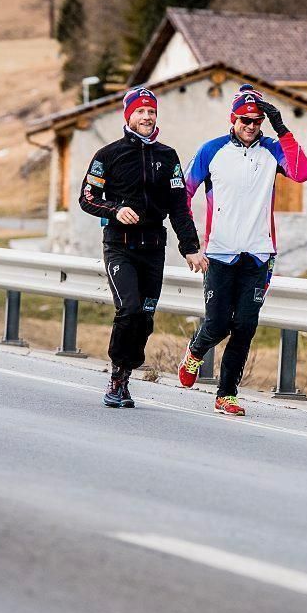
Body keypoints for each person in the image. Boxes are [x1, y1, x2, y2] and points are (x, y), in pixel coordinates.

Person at [177, 84, 307, 416]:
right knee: (218, 324)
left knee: (245, 326)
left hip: (259, 255)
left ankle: (227, 394)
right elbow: (182, 195)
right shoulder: (212, 150)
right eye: (245, 120)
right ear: (233, 119)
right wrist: (190, 244)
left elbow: (302, 173)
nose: (251, 126)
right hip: (219, 253)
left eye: (257, 121)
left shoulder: (272, 149)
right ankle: (195, 351)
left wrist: (281, 128)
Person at [79, 87, 208, 408]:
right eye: (140, 111)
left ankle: (127, 372)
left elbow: (179, 207)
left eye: (151, 112)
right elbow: (87, 197)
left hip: (153, 248)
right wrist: (115, 210)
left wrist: (190, 247)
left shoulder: (168, 156)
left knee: (145, 318)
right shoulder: (108, 155)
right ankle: (117, 378)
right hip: (119, 246)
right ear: (129, 116)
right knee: (129, 310)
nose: (147, 117)